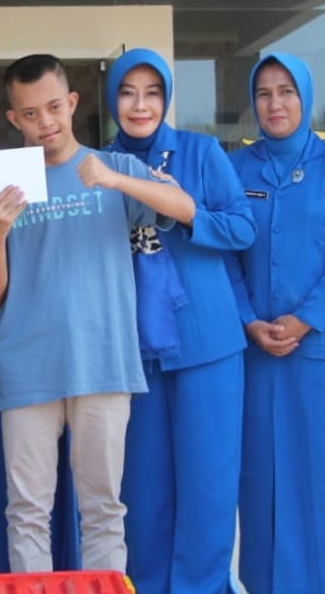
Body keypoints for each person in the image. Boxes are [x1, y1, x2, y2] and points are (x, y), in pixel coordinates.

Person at [0, 53, 194, 575]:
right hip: (27, 365)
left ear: (72, 102)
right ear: (13, 119)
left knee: (104, 510)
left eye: (53, 107)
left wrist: (117, 181)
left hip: (104, 360)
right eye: (29, 114)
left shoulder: (114, 167)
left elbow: (185, 209)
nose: (44, 122)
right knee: (26, 512)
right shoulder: (3, 183)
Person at [102, 49, 255, 593]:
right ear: (111, 99)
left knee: (208, 481)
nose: (139, 105)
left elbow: (242, 229)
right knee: (141, 486)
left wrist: (185, 210)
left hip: (206, 341)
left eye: (151, 93)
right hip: (132, 349)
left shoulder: (200, 151)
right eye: (127, 92)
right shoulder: (98, 165)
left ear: (166, 98)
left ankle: (203, 586)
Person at [227, 53, 325, 594]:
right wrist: (248, 321)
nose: (275, 104)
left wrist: (306, 319)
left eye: (286, 91)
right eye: (264, 93)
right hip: (258, 352)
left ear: (305, 97)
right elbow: (222, 257)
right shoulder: (235, 170)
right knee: (263, 475)